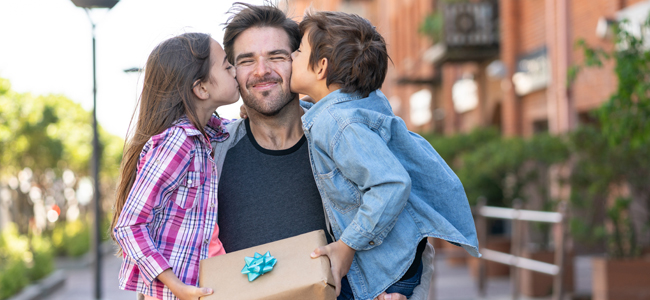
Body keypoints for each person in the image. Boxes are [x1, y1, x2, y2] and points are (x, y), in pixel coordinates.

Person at [215, 3, 434, 300]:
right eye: (246, 60)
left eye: (277, 56)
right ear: (232, 72)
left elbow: (406, 229)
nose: (262, 71)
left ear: (304, 62)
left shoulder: (346, 138)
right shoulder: (209, 155)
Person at [289, 10, 481, 300]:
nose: (291, 56)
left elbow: (391, 184)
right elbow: (334, 123)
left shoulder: (338, 123)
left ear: (321, 67)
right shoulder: (362, 104)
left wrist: (346, 245)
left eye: (299, 51)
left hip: (385, 274)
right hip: (400, 261)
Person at [111, 32, 239, 300]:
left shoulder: (208, 135)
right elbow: (129, 226)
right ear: (201, 88)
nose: (236, 71)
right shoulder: (178, 142)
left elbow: (235, 129)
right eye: (227, 66)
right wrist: (176, 286)